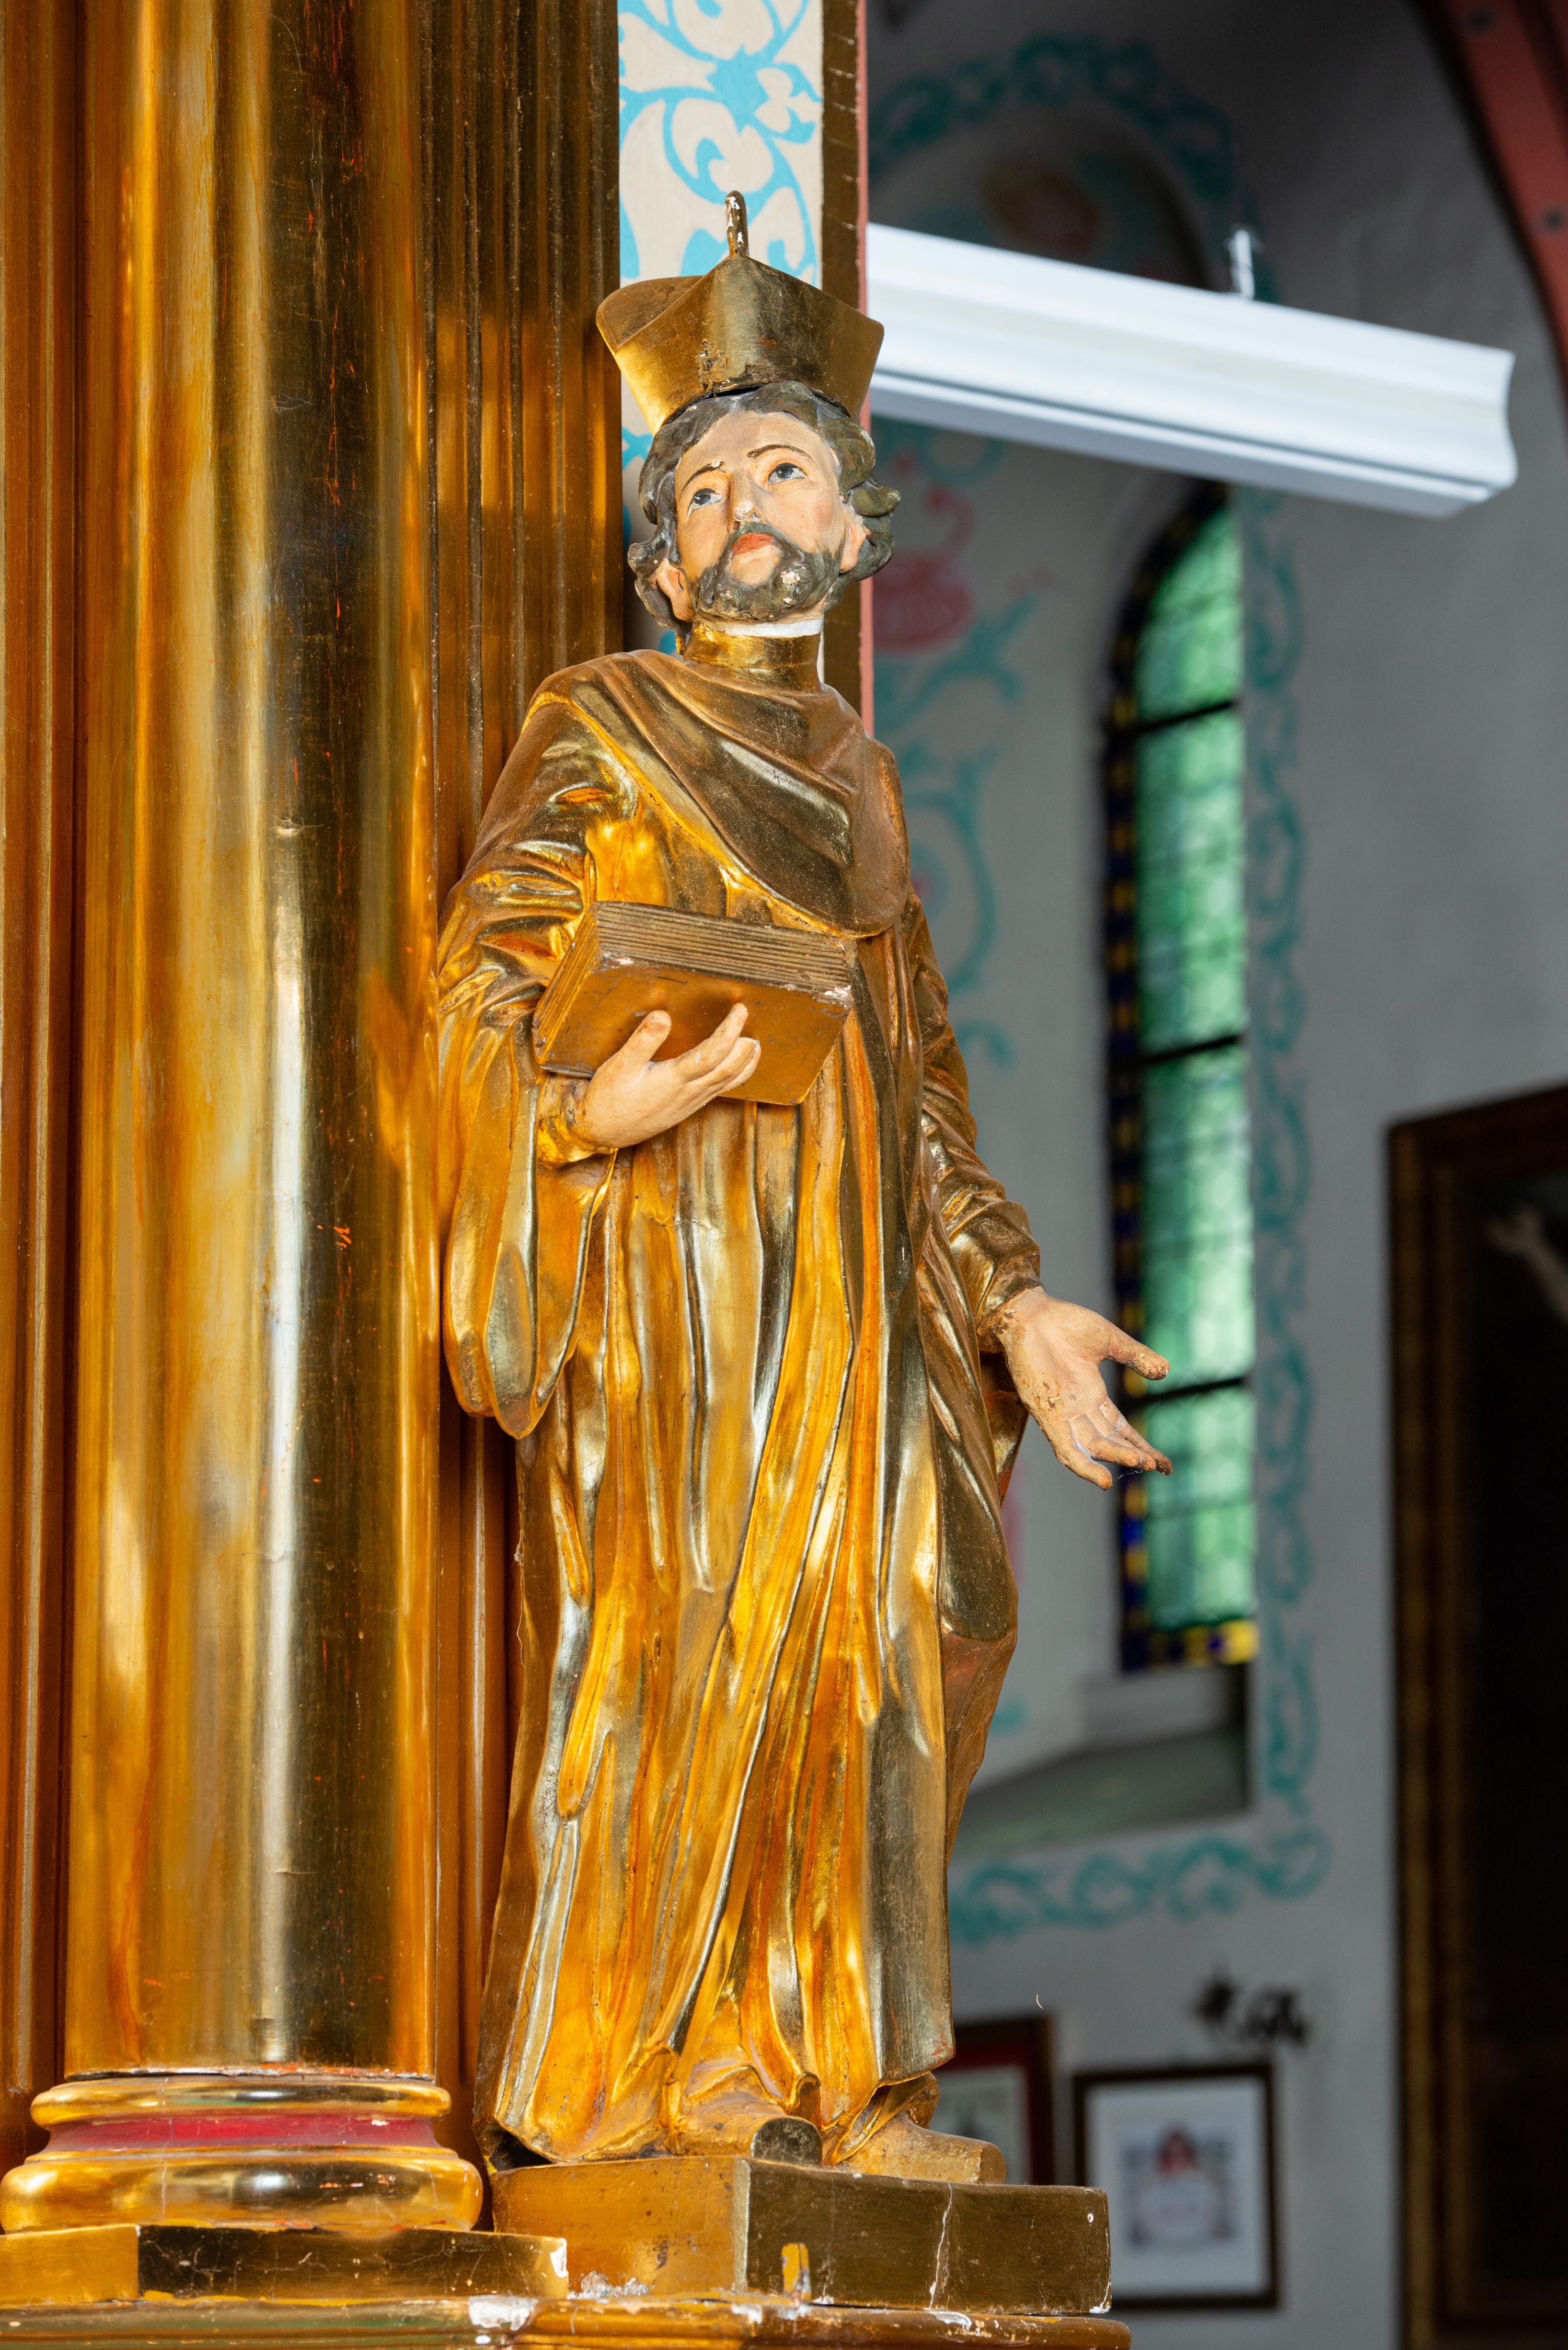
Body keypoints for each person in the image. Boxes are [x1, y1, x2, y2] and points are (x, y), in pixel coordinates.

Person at [439, 194, 1170, 2185]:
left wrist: (1008, 1295)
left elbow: (913, 1072)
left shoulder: (858, 769)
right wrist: (578, 1106)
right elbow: (488, 967)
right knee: (690, 1642)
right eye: (703, 486)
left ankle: (844, 2075)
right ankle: (671, 2082)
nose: (744, 507)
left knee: (917, 1617)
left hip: (854, 1289)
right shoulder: (600, 721)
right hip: (675, 1270)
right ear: (657, 555)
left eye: (782, 470)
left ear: (855, 527)